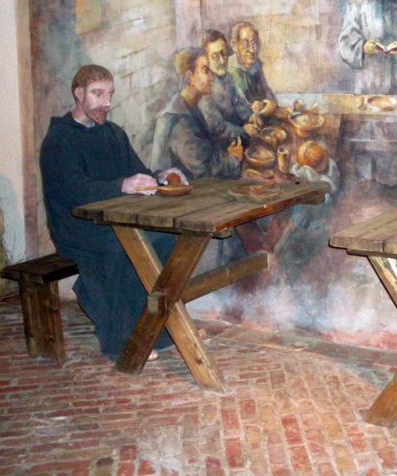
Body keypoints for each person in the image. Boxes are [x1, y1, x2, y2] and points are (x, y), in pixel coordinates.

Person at [40, 64, 187, 359]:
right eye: (97, 94)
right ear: (78, 93)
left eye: (110, 94)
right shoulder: (59, 139)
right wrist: (122, 185)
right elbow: (77, 190)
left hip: (113, 221)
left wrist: (161, 176)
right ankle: (120, 340)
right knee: (125, 246)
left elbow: (138, 173)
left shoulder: (114, 134)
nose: (106, 103)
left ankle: (155, 329)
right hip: (76, 226)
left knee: (166, 239)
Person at [151, 48, 244, 179]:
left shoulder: (188, 104)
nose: (212, 77)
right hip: (177, 189)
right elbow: (204, 168)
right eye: (206, 71)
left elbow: (204, 147)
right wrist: (234, 158)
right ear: (190, 77)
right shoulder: (179, 120)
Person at [198, 29, 249, 146]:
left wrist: (251, 117)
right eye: (215, 57)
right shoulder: (204, 87)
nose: (222, 61)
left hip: (238, 138)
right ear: (205, 59)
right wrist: (244, 131)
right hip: (220, 146)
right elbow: (217, 128)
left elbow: (239, 104)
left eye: (223, 53)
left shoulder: (227, 77)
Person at [228, 21, 276, 114]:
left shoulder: (255, 65)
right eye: (245, 43)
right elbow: (245, 110)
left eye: (254, 43)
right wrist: (267, 105)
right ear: (234, 45)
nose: (252, 49)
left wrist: (268, 103)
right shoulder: (231, 71)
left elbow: (268, 95)